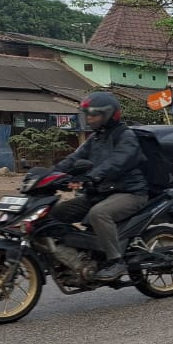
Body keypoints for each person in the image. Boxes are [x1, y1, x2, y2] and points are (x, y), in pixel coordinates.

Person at [50, 91, 148, 280]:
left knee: (99, 213)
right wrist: (51, 174)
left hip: (130, 192)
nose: (89, 118)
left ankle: (115, 261)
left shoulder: (125, 136)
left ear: (109, 114)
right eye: (88, 114)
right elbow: (74, 159)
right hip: (101, 192)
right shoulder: (95, 138)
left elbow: (117, 162)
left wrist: (91, 176)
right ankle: (80, 252)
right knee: (56, 213)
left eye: (94, 115)